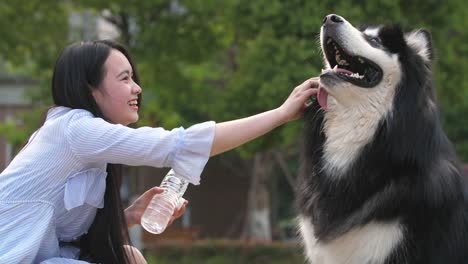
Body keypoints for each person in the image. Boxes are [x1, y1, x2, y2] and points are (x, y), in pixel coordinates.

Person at [0, 40, 318, 264]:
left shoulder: (94, 147)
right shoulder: (75, 129)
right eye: (125, 79)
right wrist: (279, 114)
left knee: (131, 255)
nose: (137, 88)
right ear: (90, 90)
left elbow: (60, 236)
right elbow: (180, 144)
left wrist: (131, 216)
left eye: (134, 78)